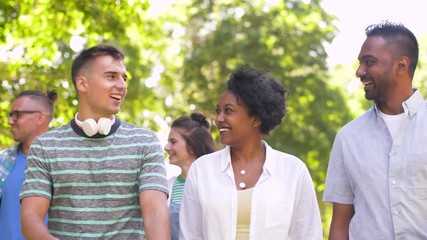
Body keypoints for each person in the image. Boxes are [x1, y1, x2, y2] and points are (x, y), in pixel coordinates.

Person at [20, 45, 170, 240]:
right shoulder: (44, 146)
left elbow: (154, 212)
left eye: (124, 78)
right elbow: (30, 217)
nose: (122, 85)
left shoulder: (145, 142)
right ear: (83, 84)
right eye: (111, 76)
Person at [179, 66, 323, 239]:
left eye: (228, 111)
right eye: (219, 111)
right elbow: (189, 235)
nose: (218, 119)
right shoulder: (201, 170)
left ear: (256, 119)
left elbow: (309, 235)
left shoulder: (293, 171)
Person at [323, 21, 427, 239]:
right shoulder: (348, 138)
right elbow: (340, 224)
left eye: (369, 62)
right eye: (360, 63)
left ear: (401, 65)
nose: (360, 72)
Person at [0, 90, 56, 240]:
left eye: (17, 114)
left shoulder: (66, 163)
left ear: (40, 117)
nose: (11, 121)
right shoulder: (3, 162)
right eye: (11, 115)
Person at [164, 112, 216, 240]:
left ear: (192, 146)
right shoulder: (168, 187)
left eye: (173, 141)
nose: (166, 147)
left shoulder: (214, 184)